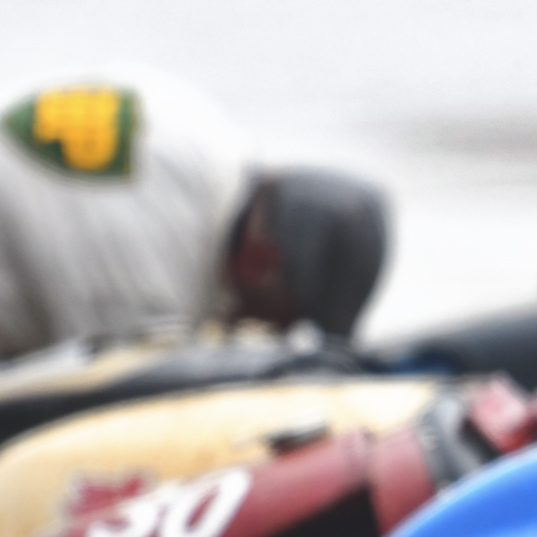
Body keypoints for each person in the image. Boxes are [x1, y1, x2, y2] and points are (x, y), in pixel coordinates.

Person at [0, 67, 387, 360]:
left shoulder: (205, 133)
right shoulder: (151, 285)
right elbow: (95, 406)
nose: (281, 336)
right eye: (288, 322)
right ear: (261, 262)